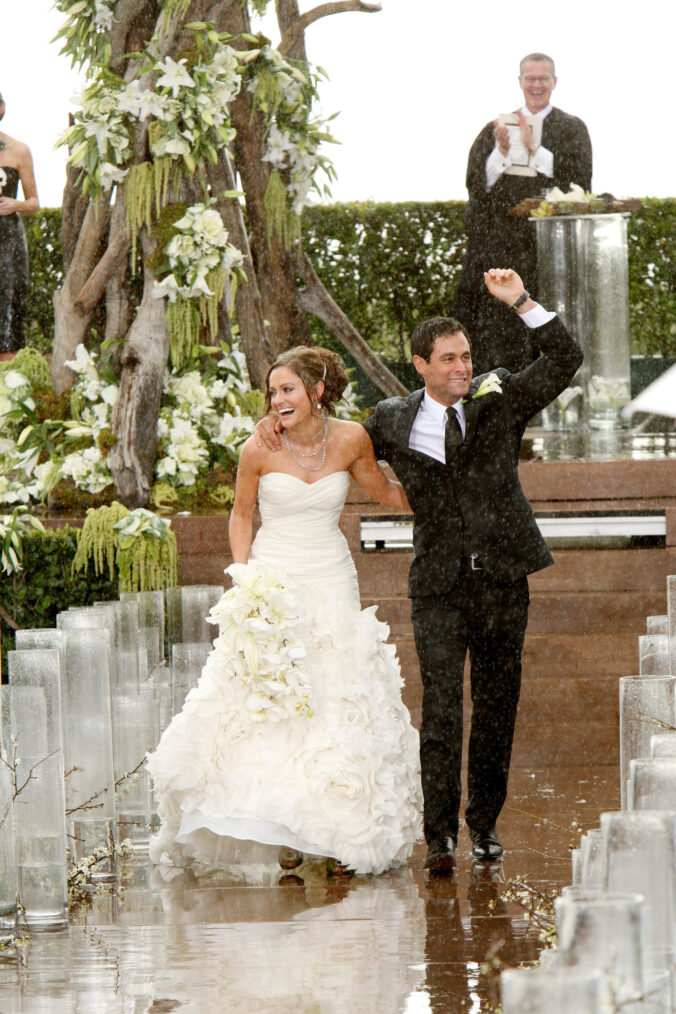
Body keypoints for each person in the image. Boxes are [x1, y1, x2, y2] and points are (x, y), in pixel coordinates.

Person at [257, 268, 582, 875]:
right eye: (450, 359)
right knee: (440, 709)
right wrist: (279, 424)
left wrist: (522, 303)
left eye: (467, 357)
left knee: (495, 705)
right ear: (420, 365)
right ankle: (439, 839)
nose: (463, 367)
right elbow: (334, 445)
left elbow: (565, 358)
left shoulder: (500, 394)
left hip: (505, 577)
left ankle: (483, 825)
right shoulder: (389, 419)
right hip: (438, 584)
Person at [147, 346, 423, 878]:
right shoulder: (258, 447)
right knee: (271, 698)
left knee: (335, 692)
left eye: (287, 389)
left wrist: (443, 497)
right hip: (273, 579)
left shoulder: (350, 439)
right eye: (272, 392)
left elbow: (384, 490)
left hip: (330, 576)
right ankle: (282, 831)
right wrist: (245, 578)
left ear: (317, 390)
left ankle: (338, 830)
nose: (277, 400)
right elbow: (241, 514)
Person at [452, 54, 592, 374]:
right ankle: (492, 388)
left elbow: (581, 182)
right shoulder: (495, 129)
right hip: (500, 246)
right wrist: (501, 154)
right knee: (496, 321)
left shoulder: (572, 128)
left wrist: (535, 151)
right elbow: (476, 186)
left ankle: (544, 388)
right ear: (520, 82)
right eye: (530, 78)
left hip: (548, 250)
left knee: (542, 316)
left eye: (543, 78)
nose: (536, 85)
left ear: (554, 82)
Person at [0, 91, 39, 352]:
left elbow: (34, 202)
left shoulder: (19, 150)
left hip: (8, 241)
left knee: (9, 307)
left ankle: (7, 386)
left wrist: (17, 204)